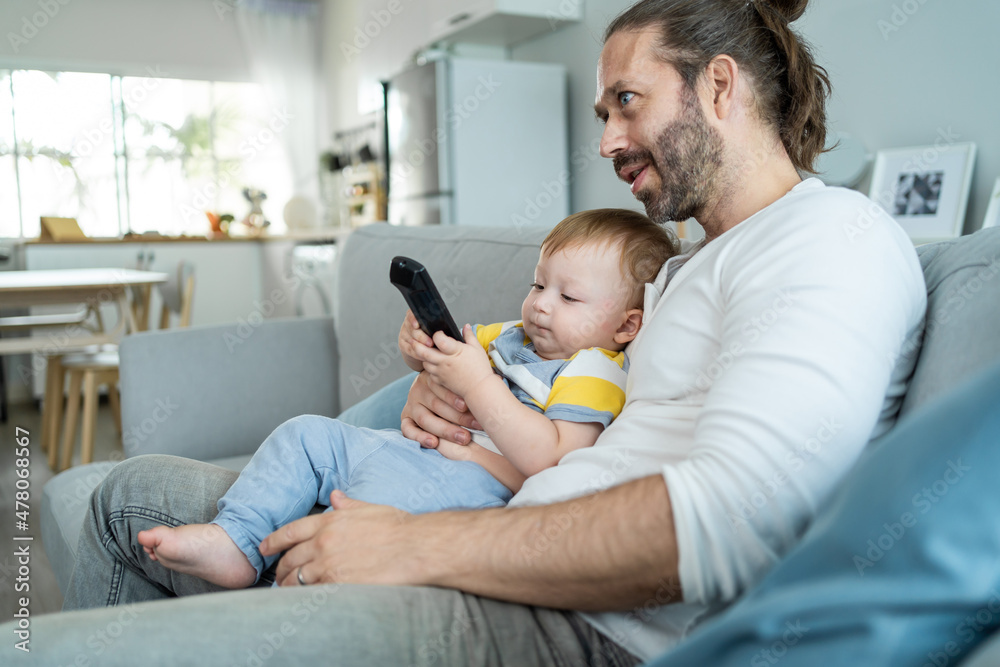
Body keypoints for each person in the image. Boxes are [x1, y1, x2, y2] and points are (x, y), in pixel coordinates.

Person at [40, 0, 927, 665]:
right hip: (497, 536)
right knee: (127, 495)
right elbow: (588, 421)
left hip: (582, 628)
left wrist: (411, 543)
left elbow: (733, 518)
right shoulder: (681, 269)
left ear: (720, 84)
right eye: (602, 116)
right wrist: (450, 397)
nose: (612, 140)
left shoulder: (833, 241)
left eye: (628, 101)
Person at [133, 209, 678, 589]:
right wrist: (417, 350)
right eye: (538, 285)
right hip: (400, 445)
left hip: (462, 481)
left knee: (382, 500)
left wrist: (479, 385)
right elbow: (444, 362)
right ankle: (238, 539)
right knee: (306, 433)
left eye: (569, 296)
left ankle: (305, 583)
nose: (540, 306)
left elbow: (553, 460)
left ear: (627, 326)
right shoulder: (511, 335)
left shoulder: (594, 369)